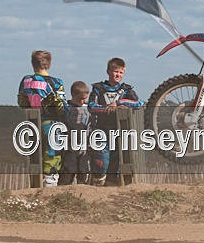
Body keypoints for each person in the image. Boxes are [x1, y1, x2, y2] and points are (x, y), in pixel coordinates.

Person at [88, 57, 143, 186]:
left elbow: (139, 103)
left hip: (120, 132)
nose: (118, 75)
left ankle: (112, 186)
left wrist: (119, 103)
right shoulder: (98, 88)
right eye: (115, 71)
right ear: (108, 71)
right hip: (101, 130)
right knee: (102, 160)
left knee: (118, 161)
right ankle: (97, 184)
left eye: (121, 72)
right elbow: (91, 105)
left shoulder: (127, 90)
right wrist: (106, 109)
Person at [17, 50, 67, 187]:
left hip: (32, 124)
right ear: (49, 64)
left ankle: (34, 186)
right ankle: (50, 185)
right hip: (51, 124)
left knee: (34, 155)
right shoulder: (56, 82)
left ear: (33, 64)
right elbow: (63, 108)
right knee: (52, 154)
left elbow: (22, 102)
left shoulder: (26, 80)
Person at [58, 81, 94, 186]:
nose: (83, 101)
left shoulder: (88, 108)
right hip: (69, 147)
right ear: (73, 95)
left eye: (85, 99)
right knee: (68, 171)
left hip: (84, 146)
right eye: (80, 99)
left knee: (84, 171)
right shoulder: (66, 108)